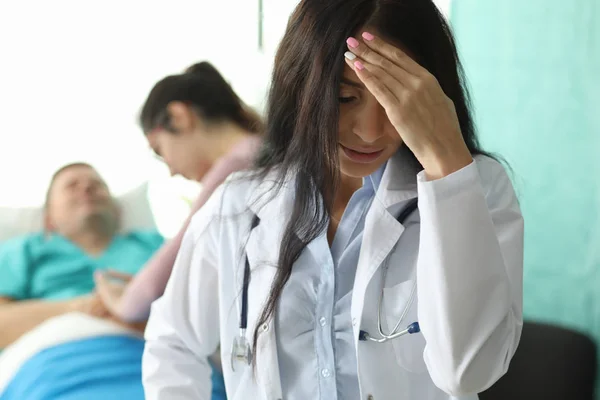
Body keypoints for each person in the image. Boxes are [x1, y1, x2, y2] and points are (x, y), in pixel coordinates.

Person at [142, 1, 524, 400]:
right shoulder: (239, 206)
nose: (371, 131)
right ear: (300, 85)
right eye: (344, 98)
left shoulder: (475, 188)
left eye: (396, 101)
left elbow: (469, 372)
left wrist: (448, 168)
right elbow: (173, 343)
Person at [93, 61, 262, 400]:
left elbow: (152, 285)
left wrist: (116, 297)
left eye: (160, 151)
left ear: (180, 117)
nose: (170, 170)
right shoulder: (263, 150)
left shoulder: (240, 165)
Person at [0, 162, 163, 348]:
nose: (86, 188)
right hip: (56, 355)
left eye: (97, 185)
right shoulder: (22, 250)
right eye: (71, 186)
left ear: (118, 212)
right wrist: (85, 307)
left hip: (156, 351)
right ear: (49, 219)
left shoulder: (154, 244)